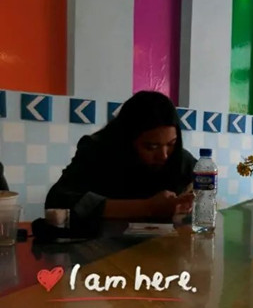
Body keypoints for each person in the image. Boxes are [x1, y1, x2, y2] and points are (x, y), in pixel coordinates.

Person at [45, 90, 196, 222]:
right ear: (128, 140)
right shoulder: (97, 151)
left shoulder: (179, 158)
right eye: (151, 147)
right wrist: (147, 207)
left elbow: (203, 186)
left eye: (171, 144)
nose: (163, 156)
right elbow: (58, 201)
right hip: (100, 243)